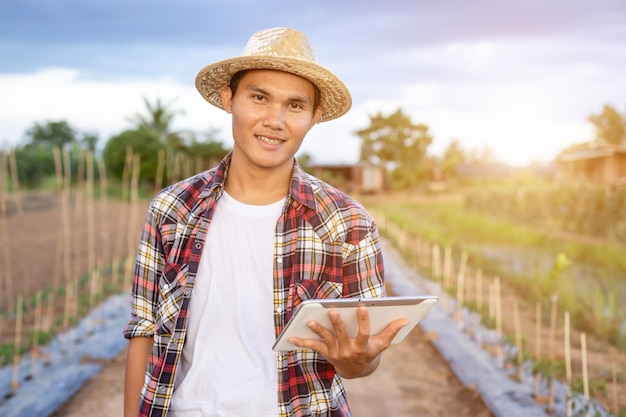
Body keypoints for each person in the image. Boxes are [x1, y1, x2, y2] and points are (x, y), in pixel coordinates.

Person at [123, 27, 407, 417]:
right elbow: (144, 330)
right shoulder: (172, 210)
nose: (274, 120)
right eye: (259, 98)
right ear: (230, 100)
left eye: (294, 105)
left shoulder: (347, 222)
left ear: (313, 117)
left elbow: (361, 360)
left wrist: (357, 359)